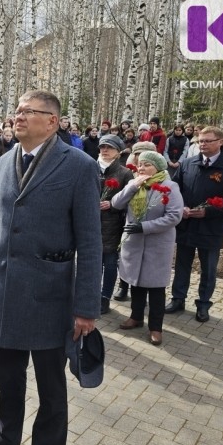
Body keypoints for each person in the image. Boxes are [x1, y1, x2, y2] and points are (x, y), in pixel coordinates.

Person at [0, 90, 102, 445]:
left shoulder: (79, 166)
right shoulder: (5, 160)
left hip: (51, 299)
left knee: (51, 391)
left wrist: (85, 307)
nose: (18, 117)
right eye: (16, 110)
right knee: (7, 380)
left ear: (53, 121)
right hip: (7, 292)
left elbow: (91, 242)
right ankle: (6, 441)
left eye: (28, 112)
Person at [165, 126, 223, 322]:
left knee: (208, 268)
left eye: (207, 141)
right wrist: (181, 207)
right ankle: (178, 298)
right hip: (186, 225)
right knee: (182, 264)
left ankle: (203, 304)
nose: (202, 144)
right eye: (200, 141)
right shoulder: (187, 164)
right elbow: (174, 189)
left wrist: (209, 211)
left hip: (211, 227)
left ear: (220, 142)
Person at [111, 151, 183, 346]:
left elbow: (174, 216)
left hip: (156, 246)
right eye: (140, 164)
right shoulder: (134, 184)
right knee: (136, 284)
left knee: (156, 289)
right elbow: (116, 203)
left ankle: (156, 328)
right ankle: (135, 317)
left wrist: (145, 227)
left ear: (158, 168)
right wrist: (133, 186)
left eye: (147, 165)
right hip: (134, 244)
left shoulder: (169, 186)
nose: (141, 168)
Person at [112, 141, 157, 302]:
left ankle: (142, 291)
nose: (140, 158)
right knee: (125, 256)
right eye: (137, 154)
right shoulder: (128, 171)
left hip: (147, 225)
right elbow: (117, 199)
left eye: (144, 154)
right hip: (124, 220)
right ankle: (123, 285)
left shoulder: (159, 176)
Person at [97, 134, 133, 314]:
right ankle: (92, 294)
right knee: (92, 263)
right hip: (91, 223)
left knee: (110, 263)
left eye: (109, 147)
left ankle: (105, 297)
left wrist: (112, 204)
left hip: (112, 224)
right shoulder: (91, 167)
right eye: (102, 146)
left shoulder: (125, 173)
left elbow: (130, 199)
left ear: (118, 152)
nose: (105, 150)